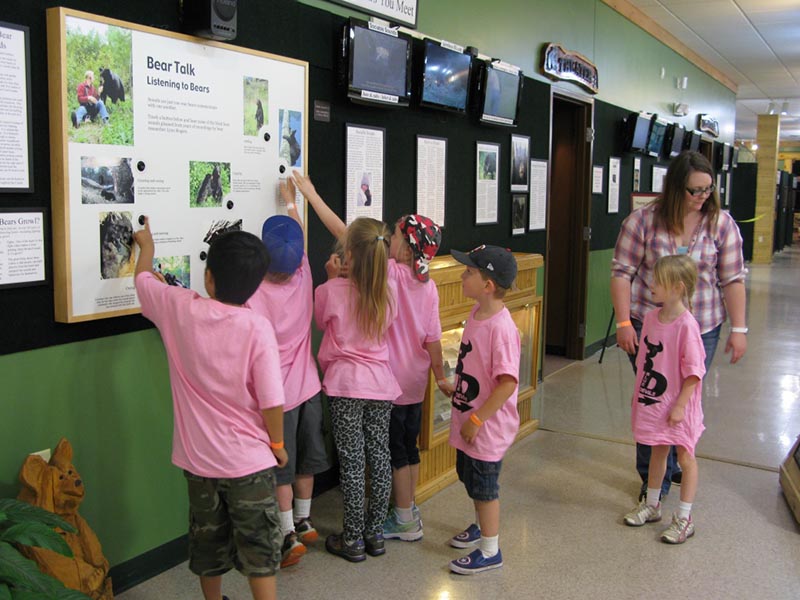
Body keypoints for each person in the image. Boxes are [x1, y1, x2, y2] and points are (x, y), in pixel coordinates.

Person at [286, 171, 449, 541]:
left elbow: (347, 236)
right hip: (401, 383)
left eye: (393, 236)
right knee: (399, 450)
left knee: (367, 457)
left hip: (362, 383)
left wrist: (309, 196)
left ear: (405, 248)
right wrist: (439, 376)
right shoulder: (424, 284)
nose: (388, 239)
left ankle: (373, 528)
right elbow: (433, 338)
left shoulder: (383, 277)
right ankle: (394, 518)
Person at [133, 218, 287, 600]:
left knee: (208, 544)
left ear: (209, 278)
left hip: (199, 462)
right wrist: (278, 444)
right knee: (259, 549)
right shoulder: (257, 328)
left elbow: (142, 281)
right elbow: (271, 400)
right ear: (255, 284)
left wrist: (146, 248)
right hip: (249, 463)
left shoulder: (179, 309)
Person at [610, 150, 747, 500]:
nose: (703, 197)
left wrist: (740, 329)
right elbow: (622, 273)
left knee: (683, 398)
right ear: (674, 188)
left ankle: (671, 467)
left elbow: (732, 279)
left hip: (701, 328)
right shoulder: (642, 221)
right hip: (649, 327)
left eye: (708, 189)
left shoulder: (721, 224)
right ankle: (651, 479)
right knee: (651, 398)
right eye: (694, 191)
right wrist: (624, 322)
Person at [244, 199, 330, 569]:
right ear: (298, 260)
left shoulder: (251, 292)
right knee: (307, 460)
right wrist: (292, 200)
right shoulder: (305, 274)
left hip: (275, 398)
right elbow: (301, 234)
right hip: (309, 388)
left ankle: (286, 533)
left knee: (282, 463)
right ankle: (304, 518)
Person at [314, 216, 401, 562]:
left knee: (351, 462)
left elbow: (322, 321)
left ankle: (351, 540)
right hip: (381, 385)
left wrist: (333, 278)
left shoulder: (329, 291)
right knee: (380, 456)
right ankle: (374, 533)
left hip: (346, 385)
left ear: (348, 254)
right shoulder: (389, 291)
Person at [445, 245, 521, 575]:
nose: (462, 276)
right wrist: (456, 385)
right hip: (469, 416)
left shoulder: (501, 328)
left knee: (485, 488)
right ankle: (479, 527)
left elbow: (506, 383)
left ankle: (491, 550)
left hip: (485, 426)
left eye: (469, 272)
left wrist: (477, 418)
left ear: (487, 284)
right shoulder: (477, 316)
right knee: (469, 477)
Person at [623, 255, 705, 544]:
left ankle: (684, 517)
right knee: (657, 450)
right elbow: (646, 361)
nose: (651, 285)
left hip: (678, 406)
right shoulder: (649, 318)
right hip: (654, 402)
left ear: (678, 287)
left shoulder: (687, 326)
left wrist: (680, 405)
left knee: (685, 457)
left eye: (658, 281)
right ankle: (653, 503)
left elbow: (694, 372)